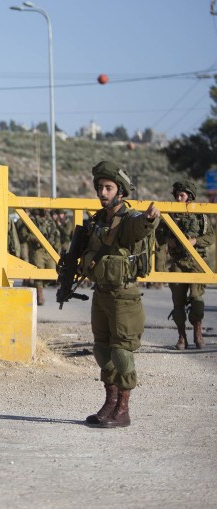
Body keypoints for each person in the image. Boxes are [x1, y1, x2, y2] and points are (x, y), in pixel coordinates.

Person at [80, 161, 160, 428]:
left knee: (122, 352)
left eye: (108, 188)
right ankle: (110, 402)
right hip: (101, 293)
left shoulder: (128, 220)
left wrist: (150, 218)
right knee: (102, 350)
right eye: (100, 188)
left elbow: (140, 226)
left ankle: (123, 409)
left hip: (123, 295)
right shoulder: (97, 221)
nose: (102, 193)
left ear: (121, 192)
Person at [164, 179, 214, 349]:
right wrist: (169, 240)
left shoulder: (201, 215)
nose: (178, 199)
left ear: (190, 196)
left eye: (182, 195)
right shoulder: (170, 215)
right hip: (178, 262)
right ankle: (182, 336)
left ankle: (198, 333)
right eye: (177, 196)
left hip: (197, 262)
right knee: (178, 301)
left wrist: (195, 241)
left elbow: (210, 237)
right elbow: (159, 234)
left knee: (197, 299)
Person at [16, 209, 60, 305]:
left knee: (52, 272)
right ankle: (39, 294)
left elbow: (56, 233)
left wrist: (57, 247)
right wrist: (36, 238)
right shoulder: (32, 220)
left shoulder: (50, 220)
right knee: (38, 272)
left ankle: (39, 286)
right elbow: (23, 234)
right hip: (37, 250)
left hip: (49, 250)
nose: (46, 210)